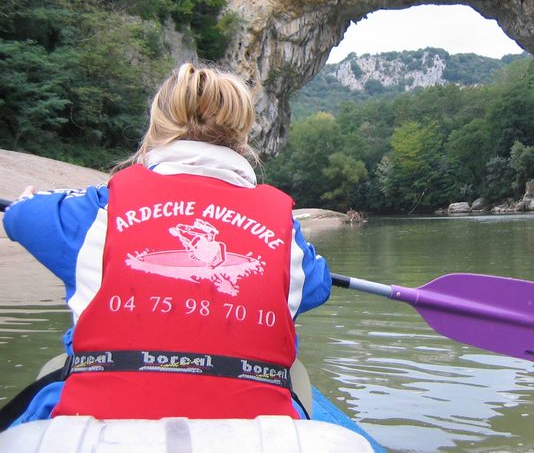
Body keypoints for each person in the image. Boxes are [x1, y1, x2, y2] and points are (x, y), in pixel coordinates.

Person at [2, 62, 331, 423]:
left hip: (101, 420)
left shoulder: (99, 209)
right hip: (250, 426)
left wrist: (28, 199)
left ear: (157, 126)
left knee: (57, 366)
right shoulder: (282, 223)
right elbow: (317, 286)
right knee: (294, 372)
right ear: (242, 135)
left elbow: (20, 217)